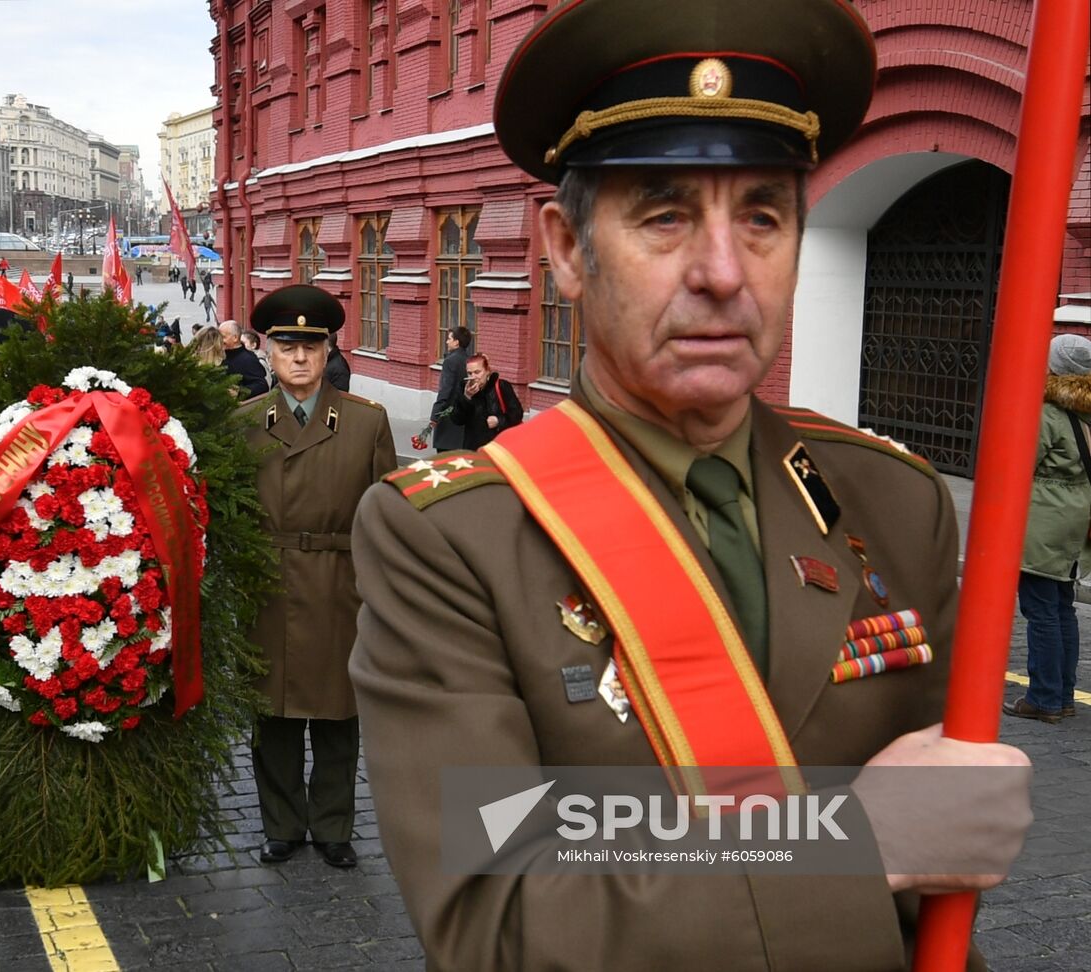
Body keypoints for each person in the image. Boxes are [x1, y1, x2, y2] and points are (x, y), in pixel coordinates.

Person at [348, 1, 1032, 967]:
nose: (723, 271)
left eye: (763, 215)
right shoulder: (452, 540)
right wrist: (856, 843)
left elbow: (943, 889)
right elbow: (494, 920)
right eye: (664, 214)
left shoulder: (895, 501)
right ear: (566, 250)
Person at [240, 283, 397, 869]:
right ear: (268, 351)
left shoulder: (365, 423)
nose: (300, 357)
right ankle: (281, 823)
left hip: (340, 588)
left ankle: (333, 826)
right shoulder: (244, 423)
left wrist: (382, 601)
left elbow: (386, 520)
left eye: (311, 345)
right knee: (273, 719)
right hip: (270, 589)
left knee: (338, 717)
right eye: (287, 346)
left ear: (330, 350)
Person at [1004, 333, 1091, 725]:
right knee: (1062, 608)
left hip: (1044, 520)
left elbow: (1019, 464)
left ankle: (1044, 698)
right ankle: (1064, 694)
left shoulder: (1047, 413)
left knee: (1040, 610)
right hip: (1078, 520)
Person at [449, 353, 523, 449]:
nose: (473, 377)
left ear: (487, 371)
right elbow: (457, 419)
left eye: (477, 372)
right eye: (469, 373)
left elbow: (517, 413)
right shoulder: (464, 387)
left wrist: (498, 421)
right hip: (474, 448)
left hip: (498, 446)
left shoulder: (501, 386)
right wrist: (467, 397)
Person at [428, 326, 471, 452]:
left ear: (456, 342)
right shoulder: (469, 360)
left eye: (449, 339)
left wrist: (435, 416)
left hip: (449, 419)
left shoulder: (450, 361)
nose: (447, 342)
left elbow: (445, 390)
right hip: (464, 417)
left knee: (445, 460)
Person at [219, 319, 269, 399]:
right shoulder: (221, 355)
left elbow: (262, 385)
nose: (220, 341)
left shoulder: (248, 359)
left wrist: (240, 392)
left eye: (223, 337)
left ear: (235, 338)